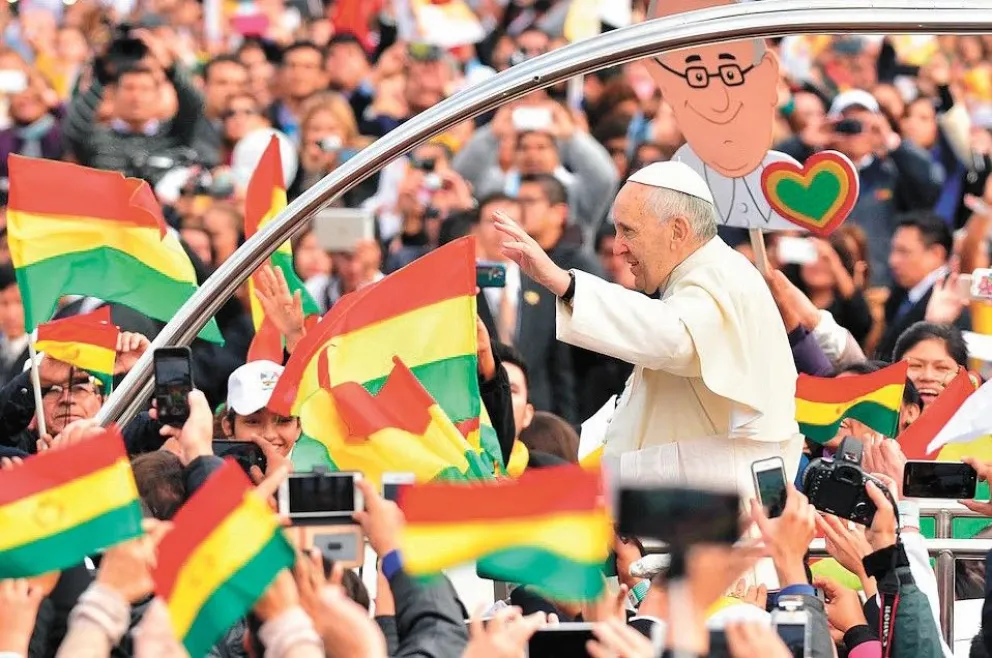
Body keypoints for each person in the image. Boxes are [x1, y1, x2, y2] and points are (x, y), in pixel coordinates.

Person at [494, 159, 802, 534]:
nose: (619, 248)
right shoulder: (697, 279)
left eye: (629, 231)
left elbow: (673, 338)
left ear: (677, 230)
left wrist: (566, 284)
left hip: (717, 527)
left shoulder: (721, 277)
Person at [643, 0, 803, 231]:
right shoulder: (669, 185)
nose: (720, 102)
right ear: (666, 86)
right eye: (696, 78)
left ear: (767, 73)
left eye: (731, 74)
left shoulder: (786, 176)